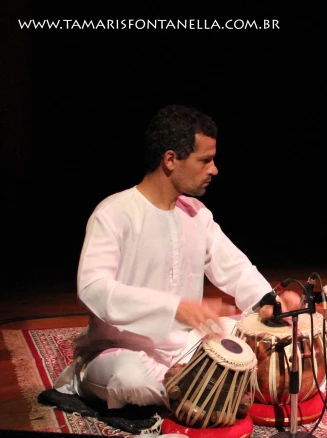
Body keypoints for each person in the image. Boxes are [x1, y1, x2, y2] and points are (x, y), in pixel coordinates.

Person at [53, 104, 302, 409]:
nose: (214, 169)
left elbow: (235, 268)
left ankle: (196, 388)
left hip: (186, 344)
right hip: (119, 351)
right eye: (205, 160)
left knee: (252, 336)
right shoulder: (114, 213)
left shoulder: (196, 214)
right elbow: (93, 289)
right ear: (171, 159)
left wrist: (270, 306)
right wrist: (174, 308)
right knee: (131, 378)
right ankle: (197, 389)